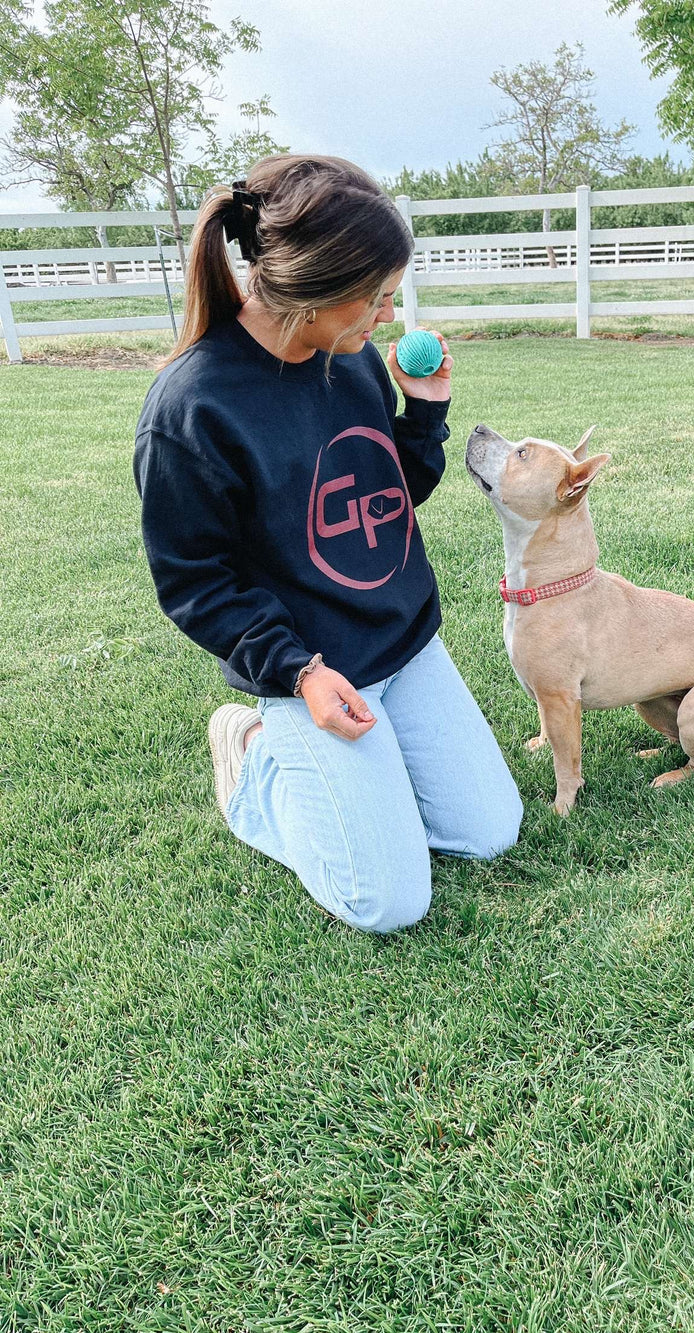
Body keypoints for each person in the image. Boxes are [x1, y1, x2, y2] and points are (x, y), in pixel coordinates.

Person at [133, 154, 523, 934]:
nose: (385, 317)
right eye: (374, 297)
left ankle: (365, 788)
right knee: (387, 900)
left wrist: (426, 415)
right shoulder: (193, 408)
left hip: (403, 643)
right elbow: (194, 584)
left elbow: (389, 494)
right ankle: (253, 761)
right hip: (314, 669)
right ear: (312, 291)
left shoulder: (350, 362)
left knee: (487, 833)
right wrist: (299, 673)